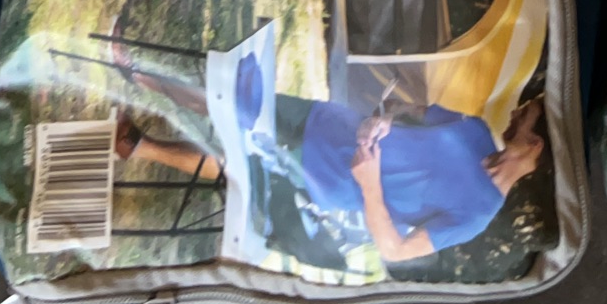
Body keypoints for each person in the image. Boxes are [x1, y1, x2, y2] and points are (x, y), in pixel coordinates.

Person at [114, 93, 547, 267]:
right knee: (233, 98)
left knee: (237, 163)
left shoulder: (477, 214)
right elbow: (408, 110)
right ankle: (138, 77)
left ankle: (137, 145)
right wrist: (384, 119)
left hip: (323, 180)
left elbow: (394, 250)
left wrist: (371, 185)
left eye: (526, 113)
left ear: (536, 145)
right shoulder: (475, 131)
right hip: (324, 121)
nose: (515, 112)